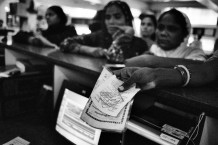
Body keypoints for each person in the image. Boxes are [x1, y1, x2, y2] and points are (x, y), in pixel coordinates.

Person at [60, 1, 148, 63]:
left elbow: (115, 58)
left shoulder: (140, 44)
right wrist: (87, 50)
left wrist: (127, 35)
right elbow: (65, 43)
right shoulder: (98, 36)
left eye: (117, 17)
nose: (111, 22)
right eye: (107, 17)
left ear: (127, 20)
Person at [124, 8, 206, 68]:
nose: (163, 33)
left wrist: (151, 61)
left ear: (185, 34)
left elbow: (200, 68)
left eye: (172, 29)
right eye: (160, 27)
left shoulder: (194, 52)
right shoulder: (154, 48)